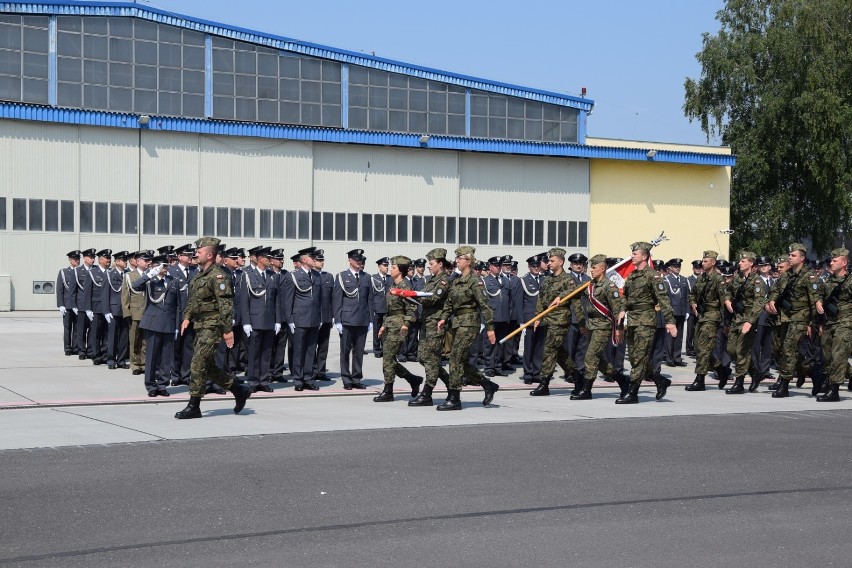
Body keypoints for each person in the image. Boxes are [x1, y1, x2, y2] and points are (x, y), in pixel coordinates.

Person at [175, 237, 251, 419]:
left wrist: (227, 331)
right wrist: (187, 317)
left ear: (209, 255)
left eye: (199, 252)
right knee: (207, 367)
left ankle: (194, 406)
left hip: (213, 326)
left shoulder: (219, 276)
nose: (196, 254)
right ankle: (239, 389)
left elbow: (226, 306)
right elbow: (193, 300)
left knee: (197, 364)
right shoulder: (200, 274)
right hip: (200, 325)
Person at [436, 246, 500, 410]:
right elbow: (449, 303)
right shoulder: (456, 281)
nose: (457, 260)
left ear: (469, 261)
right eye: (456, 258)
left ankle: (454, 397)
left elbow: (485, 305)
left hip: (470, 323)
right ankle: (487, 384)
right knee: (461, 362)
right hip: (457, 322)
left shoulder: (475, 281)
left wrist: (490, 328)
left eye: (460, 258)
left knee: (455, 359)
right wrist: (443, 318)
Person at [615, 242, 677, 404]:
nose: (632, 256)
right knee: (636, 358)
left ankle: (633, 392)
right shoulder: (632, 276)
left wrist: (670, 321)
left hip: (647, 321)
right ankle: (660, 380)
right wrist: (622, 310)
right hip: (633, 320)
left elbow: (663, 299)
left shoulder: (653, 276)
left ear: (644, 256)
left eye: (635, 254)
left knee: (640, 357)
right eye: (632, 253)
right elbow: (625, 297)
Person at [529, 248, 586, 397]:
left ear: (561, 262)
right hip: (547, 320)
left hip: (560, 321)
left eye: (552, 261)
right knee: (560, 354)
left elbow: (576, 301)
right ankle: (578, 377)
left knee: (549, 351)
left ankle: (544, 384)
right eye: (549, 261)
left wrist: (581, 323)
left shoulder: (568, 280)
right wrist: (538, 317)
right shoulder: (547, 279)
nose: (549, 263)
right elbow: (541, 299)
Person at [765, 243, 819, 398]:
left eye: (793, 255)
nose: (790, 257)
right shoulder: (786, 275)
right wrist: (771, 301)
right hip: (784, 317)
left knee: (789, 349)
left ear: (802, 258)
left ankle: (784, 384)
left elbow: (815, 302)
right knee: (782, 350)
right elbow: (775, 291)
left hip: (801, 318)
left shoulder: (810, 276)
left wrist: (812, 324)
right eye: (790, 255)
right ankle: (813, 374)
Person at [571, 254, 628, 399]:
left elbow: (617, 309)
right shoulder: (591, 285)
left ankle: (587, 389)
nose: (591, 270)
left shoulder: (609, 287)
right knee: (600, 361)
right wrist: (560, 297)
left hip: (603, 327)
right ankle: (622, 380)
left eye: (594, 267)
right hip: (591, 326)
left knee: (590, 357)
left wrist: (619, 329)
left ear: (602, 269)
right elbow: (575, 292)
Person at [373, 256, 424, 402]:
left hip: (399, 326)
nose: (391, 269)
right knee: (389, 359)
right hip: (390, 324)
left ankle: (388, 390)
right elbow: (389, 310)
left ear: (400, 270)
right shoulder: (392, 285)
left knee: (388, 358)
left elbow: (412, 308)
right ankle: (412, 379)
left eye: (394, 267)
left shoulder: (405, 286)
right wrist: (383, 325)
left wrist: (405, 325)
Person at [409, 248, 452, 406]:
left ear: (440, 264)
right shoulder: (432, 279)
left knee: (431, 358)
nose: (429, 266)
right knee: (422, 357)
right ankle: (450, 382)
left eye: (431, 263)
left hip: (435, 324)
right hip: (426, 323)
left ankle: (427, 393)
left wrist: (413, 296)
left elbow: (433, 299)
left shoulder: (443, 281)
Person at [132, 254, 180, 397]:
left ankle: (162, 384)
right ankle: (151, 385)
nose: (166, 268)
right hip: (153, 323)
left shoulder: (173, 281)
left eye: (166, 265)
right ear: (156, 267)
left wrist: (177, 324)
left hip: (169, 323)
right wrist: (150, 274)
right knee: (152, 356)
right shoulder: (150, 281)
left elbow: (178, 305)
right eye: (163, 266)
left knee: (166, 358)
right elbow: (135, 286)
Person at [723, 251, 767, 393]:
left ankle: (739, 382)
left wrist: (750, 321)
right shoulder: (737, 278)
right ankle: (754, 371)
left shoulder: (757, 281)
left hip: (748, 319)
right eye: (740, 261)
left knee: (742, 350)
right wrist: (727, 300)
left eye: (743, 261)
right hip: (737, 318)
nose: (740, 263)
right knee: (731, 349)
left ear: (751, 263)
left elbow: (759, 302)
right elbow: (728, 290)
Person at [280, 247, 323, 391]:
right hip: (299, 319)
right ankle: (298, 380)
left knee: (311, 350)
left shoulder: (317, 276)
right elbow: (288, 300)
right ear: (305, 260)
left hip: (313, 319)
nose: (315, 260)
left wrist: (320, 317)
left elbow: (319, 299)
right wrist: (290, 320)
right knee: (299, 350)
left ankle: (308, 378)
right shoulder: (293, 276)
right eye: (312, 258)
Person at [238, 247, 279, 393]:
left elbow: (276, 301)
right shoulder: (248, 275)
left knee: (267, 353)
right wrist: (246, 322)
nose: (270, 261)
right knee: (254, 353)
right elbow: (244, 301)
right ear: (260, 259)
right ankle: (253, 381)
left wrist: (278, 320)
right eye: (267, 258)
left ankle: (263, 380)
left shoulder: (273, 276)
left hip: (269, 320)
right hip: (255, 321)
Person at [814, 248, 852, 401]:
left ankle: (834, 390)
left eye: (835, 260)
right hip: (829, 321)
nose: (831, 263)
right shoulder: (829, 280)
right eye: (831, 260)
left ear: (844, 263)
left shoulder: (850, 280)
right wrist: (818, 302)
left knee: (838, 354)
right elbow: (820, 294)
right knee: (827, 356)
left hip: (846, 322)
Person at [685, 251, 726, 391]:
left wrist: (724, 323)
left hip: (712, 317)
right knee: (698, 347)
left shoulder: (718, 279)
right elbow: (692, 294)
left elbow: (723, 301)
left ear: (713, 262)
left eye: (706, 261)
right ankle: (722, 371)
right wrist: (693, 303)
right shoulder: (701, 278)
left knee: (703, 349)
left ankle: (700, 380)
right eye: (702, 261)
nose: (703, 263)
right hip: (701, 316)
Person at [332, 249, 372, 389]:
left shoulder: (367, 277)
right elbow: (337, 299)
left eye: (360, 259)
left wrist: (371, 319)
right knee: (345, 351)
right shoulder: (342, 276)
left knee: (359, 351)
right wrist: (337, 320)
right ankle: (346, 379)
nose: (359, 262)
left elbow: (369, 299)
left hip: (362, 319)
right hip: (347, 319)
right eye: (356, 259)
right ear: (349, 260)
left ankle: (356, 378)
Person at [515, 254, 546, 384]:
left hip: (543, 319)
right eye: (533, 266)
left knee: (540, 347)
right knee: (529, 347)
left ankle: (536, 372)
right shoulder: (523, 280)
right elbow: (518, 302)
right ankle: (528, 373)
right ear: (529, 267)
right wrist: (521, 321)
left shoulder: (545, 279)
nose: (536, 268)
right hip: (529, 319)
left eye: (538, 265)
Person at [123, 250, 150, 376]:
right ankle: (135, 364)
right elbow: (125, 297)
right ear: (138, 261)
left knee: (145, 341)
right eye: (145, 260)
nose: (148, 263)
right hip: (135, 312)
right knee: (135, 340)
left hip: (148, 313)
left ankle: (144, 363)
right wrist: (127, 314)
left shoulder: (151, 274)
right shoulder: (129, 276)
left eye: (149, 260)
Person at [103, 250, 129, 370]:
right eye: (123, 260)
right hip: (114, 309)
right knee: (112, 336)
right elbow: (105, 294)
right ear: (117, 261)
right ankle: (111, 359)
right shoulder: (109, 274)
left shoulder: (128, 274)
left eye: (126, 260)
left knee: (124, 336)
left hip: (125, 310)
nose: (125, 262)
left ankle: (122, 359)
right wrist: (106, 311)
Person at [312, 250, 335, 381]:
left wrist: (332, 316)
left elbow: (332, 297)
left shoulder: (328, 277)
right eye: (319, 260)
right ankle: (312, 370)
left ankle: (321, 371)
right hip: (314, 317)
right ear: (313, 261)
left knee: (323, 345)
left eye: (322, 260)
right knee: (312, 345)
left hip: (326, 317)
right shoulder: (311, 276)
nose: (322, 263)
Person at [663, 258, 689, 367]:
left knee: (679, 336)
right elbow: (665, 297)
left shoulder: (683, 280)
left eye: (679, 266)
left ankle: (677, 357)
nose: (677, 268)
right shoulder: (666, 280)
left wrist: (687, 310)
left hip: (682, 311)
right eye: (675, 266)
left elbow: (687, 296)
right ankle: (669, 358)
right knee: (670, 336)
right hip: (672, 311)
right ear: (670, 268)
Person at [57, 250, 80, 356]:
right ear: (70, 260)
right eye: (75, 259)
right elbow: (60, 289)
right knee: (67, 327)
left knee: (76, 327)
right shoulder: (64, 272)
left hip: (77, 305)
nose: (77, 261)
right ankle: (67, 347)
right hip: (67, 304)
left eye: (78, 259)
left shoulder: (80, 272)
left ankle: (75, 347)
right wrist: (61, 304)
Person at [370, 258, 392, 358]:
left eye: (387, 266)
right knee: (377, 329)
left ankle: (385, 348)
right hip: (377, 308)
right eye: (384, 265)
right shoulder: (374, 278)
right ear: (379, 267)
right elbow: (371, 295)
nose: (386, 267)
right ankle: (377, 349)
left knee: (386, 330)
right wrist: (372, 309)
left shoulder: (390, 278)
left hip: (387, 308)